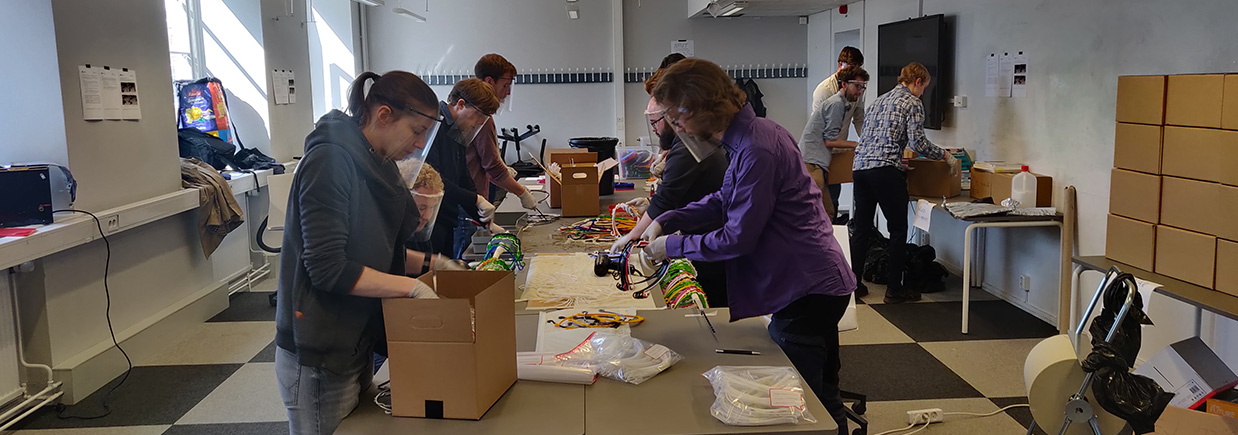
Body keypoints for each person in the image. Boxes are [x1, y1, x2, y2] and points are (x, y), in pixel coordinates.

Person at [641, 58, 856, 432]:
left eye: (678, 119)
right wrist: (668, 218)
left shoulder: (757, 148)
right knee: (822, 396)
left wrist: (671, 246)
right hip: (811, 283)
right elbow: (724, 199)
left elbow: (737, 238)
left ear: (702, 108)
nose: (678, 129)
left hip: (806, 289)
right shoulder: (753, 135)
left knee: (804, 410)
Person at [275, 70, 448, 434]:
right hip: (321, 350)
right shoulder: (330, 163)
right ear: (384, 115)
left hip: (356, 339)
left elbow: (375, 252)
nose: (419, 145)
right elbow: (328, 268)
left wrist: (436, 264)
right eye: (416, 131)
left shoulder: (377, 163)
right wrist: (409, 287)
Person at [611, 59, 729, 307]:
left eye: (656, 122)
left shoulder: (689, 146)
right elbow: (698, 200)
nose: (654, 129)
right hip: (708, 238)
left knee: (713, 313)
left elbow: (667, 199)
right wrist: (661, 216)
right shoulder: (689, 144)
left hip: (716, 251)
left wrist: (633, 236)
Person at [851, 62, 959, 304]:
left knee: (861, 230)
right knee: (898, 230)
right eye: (924, 88)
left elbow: (873, 137)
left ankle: (853, 286)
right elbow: (918, 143)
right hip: (886, 172)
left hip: (860, 169)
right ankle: (894, 290)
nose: (923, 93)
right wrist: (945, 155)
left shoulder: (878, 101)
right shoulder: (912, 103)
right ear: (917, 82)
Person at [423, 78, 502, 258]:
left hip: (446, 220)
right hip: (430, 222)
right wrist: (475, 199)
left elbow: (464, 179)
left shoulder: (457, 130)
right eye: (479, 115)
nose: (479, 123)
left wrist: (485, 221)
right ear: (460, 104)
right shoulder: (434, 125)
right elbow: (434, 180)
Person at [467, 54, 540, 209]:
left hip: (472, 198)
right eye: (505, 85)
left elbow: (482, 159)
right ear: (489, 81)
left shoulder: (474, 112)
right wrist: (522, 193)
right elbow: (492, 166)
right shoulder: (481, 117)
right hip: (471, 202)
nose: (507, 93)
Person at [799, 65, 868, 222]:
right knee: (822, 215)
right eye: (857, 86)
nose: (860, 91)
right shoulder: (836, 104)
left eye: (863, 87)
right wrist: (857, 145)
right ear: (844, 84)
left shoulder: (839, 103)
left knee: (827, 213)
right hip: (811, 163)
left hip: (813, 161)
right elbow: (830, 140)